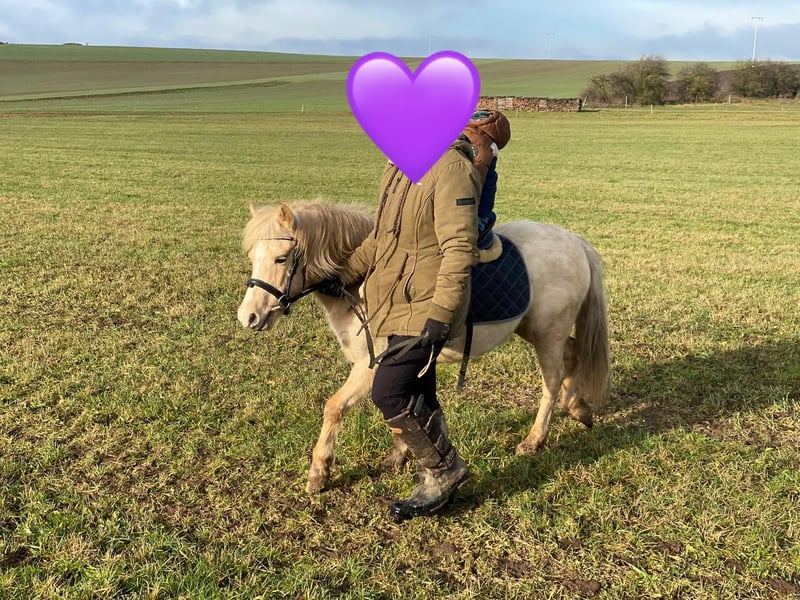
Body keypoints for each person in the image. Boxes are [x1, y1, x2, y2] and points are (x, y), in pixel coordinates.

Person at [320, 138, 481, 521]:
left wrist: (442, 312)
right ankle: (433, 474)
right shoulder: (398, 168)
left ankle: (445, 470)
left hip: (426, 304)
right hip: (395, 301)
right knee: (419, 391)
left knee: (388, 392)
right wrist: (343, 275)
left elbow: (459, 248)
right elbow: (381, 238)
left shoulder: (451, 169)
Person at [461, 109, 511, 250]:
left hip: (470, 214)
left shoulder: (472, 143)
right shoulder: (487, 146)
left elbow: (470, 185)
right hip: (479, 212)